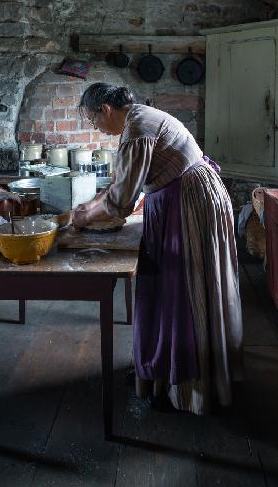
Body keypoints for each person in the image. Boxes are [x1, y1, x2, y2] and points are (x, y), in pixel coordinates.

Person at [73, 82, 243, 415]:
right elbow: (121, 182)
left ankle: (185, 384)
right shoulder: (139, 120)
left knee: (182, 290)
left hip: (190, 202)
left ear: (105, 108)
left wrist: (81, 218)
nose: (96, 128)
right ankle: (162, 372)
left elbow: (120, 202)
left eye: (94, 121)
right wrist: (90, 206)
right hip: (184, 198)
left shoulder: (137, 128)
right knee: (170, 288)